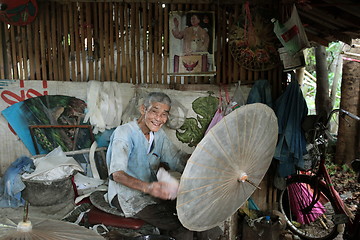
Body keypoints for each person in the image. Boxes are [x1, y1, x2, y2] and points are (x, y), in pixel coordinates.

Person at [106, 92, 222, 240]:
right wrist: (148, 187)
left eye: (164, 114)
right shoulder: (124, 133)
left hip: (152, 193)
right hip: (127, 197)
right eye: (154, 112)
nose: (159, 119)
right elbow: (117, 174)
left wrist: (203, 159)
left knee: (196, 215)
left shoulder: (159, 136)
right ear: (143, 110)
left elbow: (178, 158)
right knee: (181, 224)